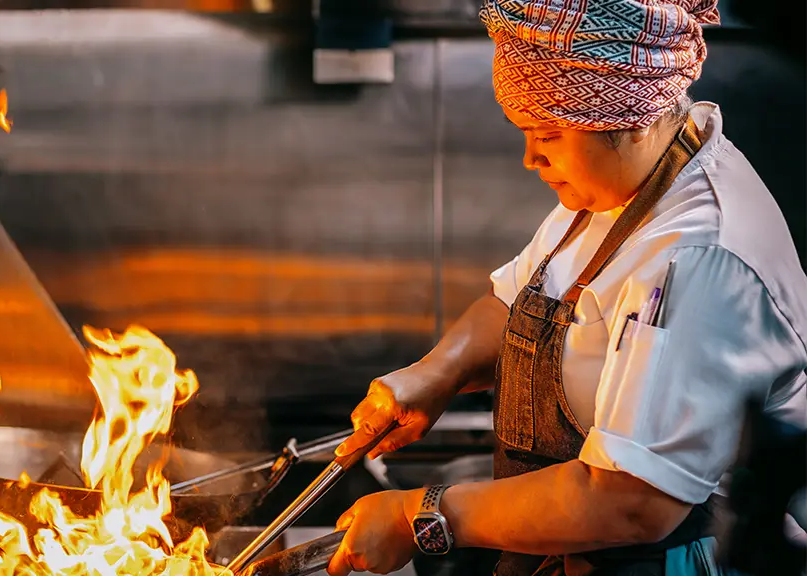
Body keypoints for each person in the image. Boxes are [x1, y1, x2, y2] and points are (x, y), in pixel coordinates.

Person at [325, 1, 807, 575]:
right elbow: (520, 300)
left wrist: (421, 515)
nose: (530, 157)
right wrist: (435, 374)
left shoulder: (699, 257)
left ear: (630, 119)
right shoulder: (617, 189)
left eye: (547, 134)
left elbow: (632, 504)